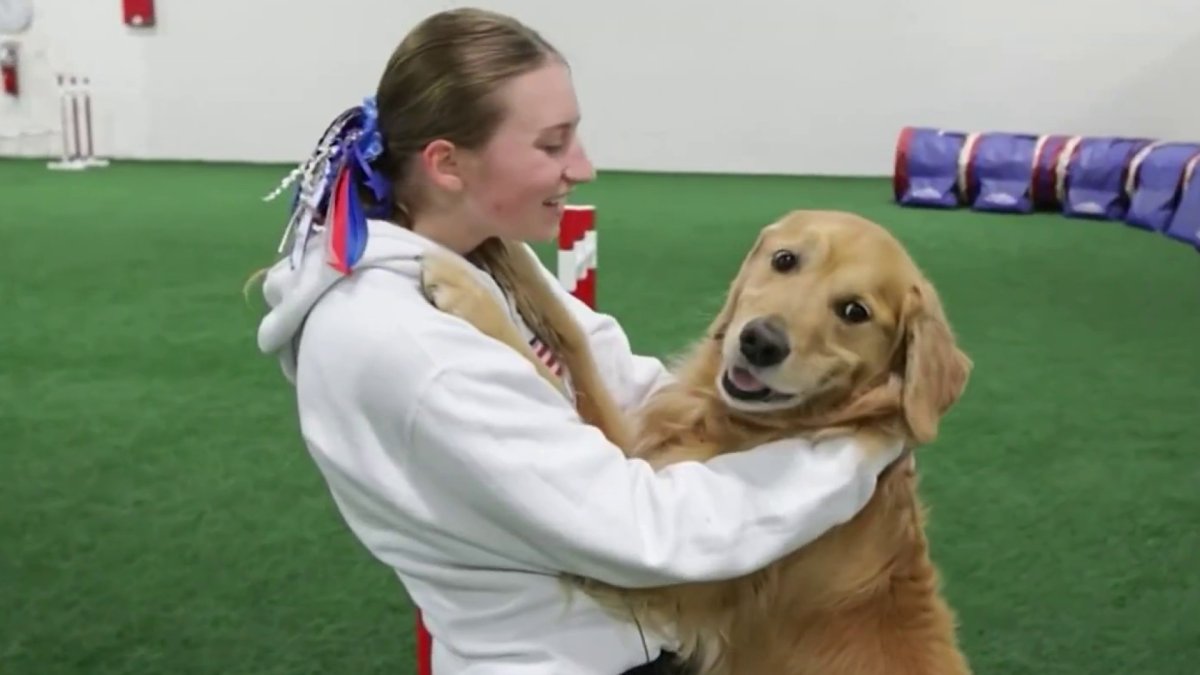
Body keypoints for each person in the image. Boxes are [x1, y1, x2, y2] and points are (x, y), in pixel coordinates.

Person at [252, 7, 904, 675]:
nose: (582, 167)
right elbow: (646, 534)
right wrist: (857, 450)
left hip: (641, 645)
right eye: (552, 144)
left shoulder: (479, 254)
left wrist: (789, 422)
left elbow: (628, 383)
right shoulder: (409, 350)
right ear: (448, 163)